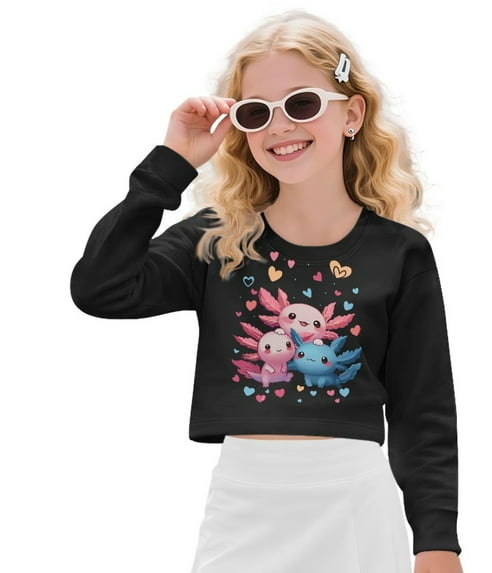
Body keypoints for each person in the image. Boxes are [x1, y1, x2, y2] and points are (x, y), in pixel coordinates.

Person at [70, 10, 464, 573]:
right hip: (244, 503)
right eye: (257, 112)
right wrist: (171, 165)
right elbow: (100, 288)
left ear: (352, 114)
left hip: (355, 504)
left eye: (301, 104)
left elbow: (423, 408)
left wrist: (437, 542)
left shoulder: (400, 253)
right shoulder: (218, 241)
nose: (279, 126)